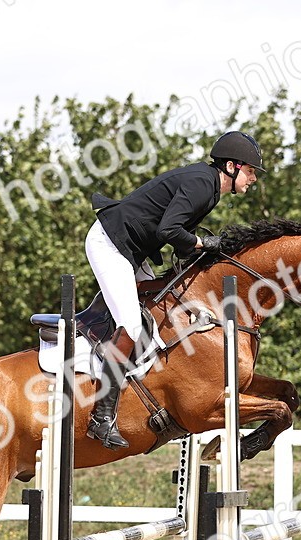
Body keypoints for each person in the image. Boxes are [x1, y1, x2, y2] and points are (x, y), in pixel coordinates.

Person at [84, 130, 265, 450]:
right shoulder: (201, 184)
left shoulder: (209, 188)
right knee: (131, 323)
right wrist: (201, 243)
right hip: (111, 244)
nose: (252, 179)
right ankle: (102, 415)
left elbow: (177, 239)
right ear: (234, 166)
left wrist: (203, 248)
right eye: (251, 172)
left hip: (132, 251)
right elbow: (170, 230)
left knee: (159, 309)